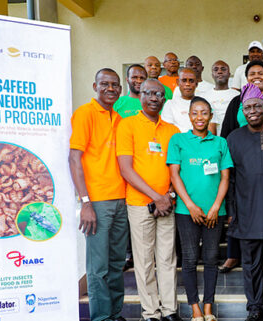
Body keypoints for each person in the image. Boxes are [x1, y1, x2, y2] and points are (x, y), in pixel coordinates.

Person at [116, 79, 182, 321]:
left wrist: (169, 197)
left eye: (158, 93)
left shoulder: (172, 131)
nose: (154, 97)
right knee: (144, 260)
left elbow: (178, 169)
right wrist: (156, 197)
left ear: (165, 99)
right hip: (139, 203)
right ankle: (151, 313)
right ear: (139, 95)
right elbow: (126, 169)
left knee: (167, 258)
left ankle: (170, 310)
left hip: (167, 204)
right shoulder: (127, 125)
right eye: (148, 93)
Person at [69, 68, 129, 321]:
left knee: (117, 264)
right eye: (105, 84)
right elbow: (74, 158)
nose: (111, 89)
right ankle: (102, 317)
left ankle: (115, 314)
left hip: (121, 200)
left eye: (115, 85)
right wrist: (85, 203)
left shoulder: (119, 118)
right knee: (98, 267)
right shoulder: (85, 113)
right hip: (97, 202)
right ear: (95, 86)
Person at [167, 97, 234, 321]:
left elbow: (225, 177)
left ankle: (208, 307)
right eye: (195, 113)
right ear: (189, 115)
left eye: (204, 113)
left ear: (210, 116)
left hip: (215, 212)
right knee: (189, 258)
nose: (199, 117)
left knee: (212, 257)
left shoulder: (220, 143)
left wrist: (216, 206)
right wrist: (190, 205)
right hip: (187, 212)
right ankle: (194, 308)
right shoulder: (178, 140)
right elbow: (174, 174)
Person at [226, 83, 263, 321]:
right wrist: (231, 211)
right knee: (250, 266)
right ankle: (254, 308)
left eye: (257, 106)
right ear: (242, 110)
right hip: (245, 211)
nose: (252, 111)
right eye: (247, 107)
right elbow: (229, 180)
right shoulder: (234, 138)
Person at [203, 60, 239, 135]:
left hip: (233, 136)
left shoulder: (237, 95)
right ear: (212, 75)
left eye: (223, 69)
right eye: (216, 70)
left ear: (229, 74)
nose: (219, 72)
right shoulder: (205, 97)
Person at [162, 68, 199, 132]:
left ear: (196, 84)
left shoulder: (204, 104)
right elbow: (168, 131)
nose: (187, 84)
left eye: (191, 81)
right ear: (178, 82)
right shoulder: (170, 104)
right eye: (184, 80)